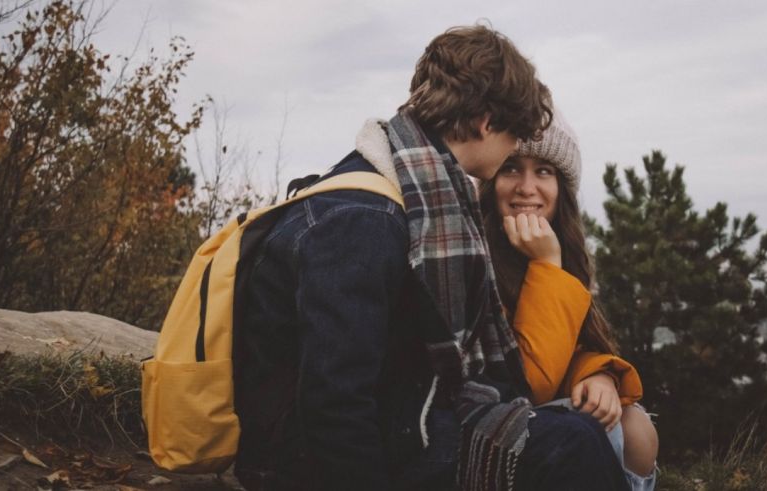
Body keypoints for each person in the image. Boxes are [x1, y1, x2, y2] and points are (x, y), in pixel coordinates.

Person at [233, 24, 629, 490]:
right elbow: (333, 403)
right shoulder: (364, 219)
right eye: (513, 138)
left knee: (573, 434)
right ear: (485, 123)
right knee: (570, 446)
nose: (509, 158)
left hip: (394, 421)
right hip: (307, 461)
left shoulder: (403, 192)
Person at [478, 107, 660, 489]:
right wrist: (546, 263)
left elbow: (572, 343)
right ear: (490, 179)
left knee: (637, 430)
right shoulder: (476, 253)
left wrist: (598, 374)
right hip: (497, 416)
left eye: (543, 171)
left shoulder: (568, 251)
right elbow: (528, 384)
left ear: (562, 188)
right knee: (602, 434)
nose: (527, 187)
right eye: (512, 168)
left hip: (540, 407)